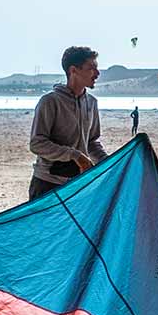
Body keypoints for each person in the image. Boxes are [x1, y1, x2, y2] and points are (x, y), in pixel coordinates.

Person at [28, 45, 108, 200]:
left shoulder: (92, 103)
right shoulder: (50, 101)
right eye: (91, 68)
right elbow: (37, 143)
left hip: (78, 186)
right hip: (47, 185)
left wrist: (109, 162)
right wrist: (74, 155)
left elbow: (91, 142)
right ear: (73, 70)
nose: (97, 74)